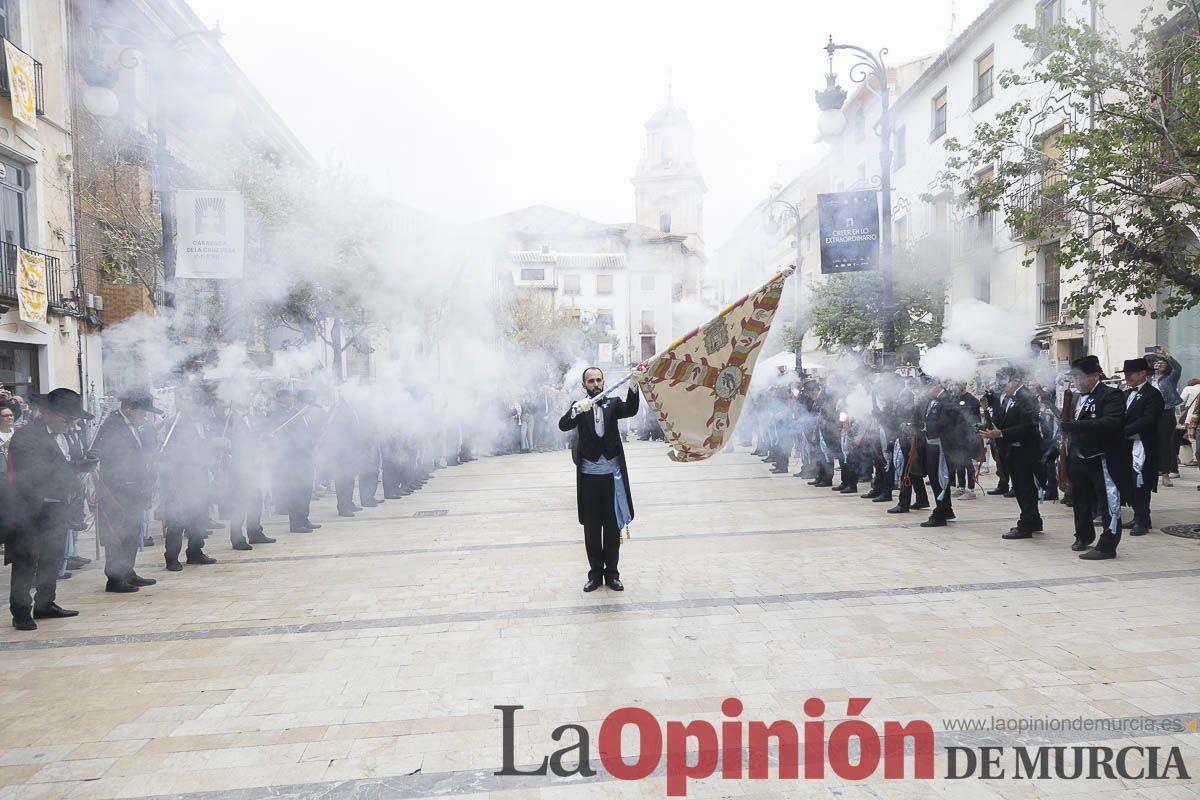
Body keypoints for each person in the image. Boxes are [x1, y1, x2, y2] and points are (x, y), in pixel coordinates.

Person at [7, 388, 95, 630]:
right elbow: (34, 474)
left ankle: (45, 603)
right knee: (26, 560)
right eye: (67, 420)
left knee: (52, 558)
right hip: (29, 509)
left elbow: (69, 464)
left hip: (58, 508)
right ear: (46, 413)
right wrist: (76, 468)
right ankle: (21, 610)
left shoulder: (67, 435)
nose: (71, 425)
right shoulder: (25, 437)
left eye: (74, 420)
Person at [558, 367, 639, 593]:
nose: (596, 384)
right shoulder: (580, 406)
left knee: (612, 528)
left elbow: (631, 409)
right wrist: (575, 410)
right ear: (584, 385)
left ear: (604, 382)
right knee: (592, 529)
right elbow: (563, 425)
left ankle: (612, 574)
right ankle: (595, 574)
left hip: (612, 477)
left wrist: (634, 385)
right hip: (589, 478)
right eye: (591, 381)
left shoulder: (613, 404)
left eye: (598, 380)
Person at [91, 389, 163, 593]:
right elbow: (103, 454)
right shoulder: (110, 424)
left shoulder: (141, 425)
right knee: (117, 533)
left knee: (133, 531)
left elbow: (146, 449)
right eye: (142, 411)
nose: (145, 415)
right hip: (117, 489)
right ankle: (114, 577)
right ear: (129, 408)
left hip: (137, 487)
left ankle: (128, 571)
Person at [1060, 355, 1129, 560]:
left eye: (1080, 377)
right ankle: (1083, 535)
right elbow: (1067, 427)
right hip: (1079, 456)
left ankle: (1108, 544)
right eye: (1074, 378)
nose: (1077, 382)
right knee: (1079, 500)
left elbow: (1111, 422)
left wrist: (1076, 426)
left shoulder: (1111, 395)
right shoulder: (1074, 398)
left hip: (1102, 458)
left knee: (1109, 503)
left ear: (1094, 375)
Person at [983, 367, 1045, 541]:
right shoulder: (1010, 398)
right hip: (1014, 448)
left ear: (1015, 381)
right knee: (1020, 487)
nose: (1002, 386)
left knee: (1025, 488)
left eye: (1005, 382)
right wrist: (988, 427)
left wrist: (1001, 433)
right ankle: (1033, 519)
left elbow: (1028, 426)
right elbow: (1000, 418)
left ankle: (1026, 524)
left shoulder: (1026, 397)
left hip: (1027, 449)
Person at [1120, 358, 1163, 536]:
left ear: (1143, 373)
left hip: (1143, 444)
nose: (1127, 377)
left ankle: (1142, 520)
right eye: (1126, 374)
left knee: (1141, 482)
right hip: (1126, 444)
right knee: (1129, 482)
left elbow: (1149, 419)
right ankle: (1139, 515)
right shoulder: (1125, 393)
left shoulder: (1152, 394)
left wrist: (1124, 430)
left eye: (1131, 373)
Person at [918, 380, 955, 528]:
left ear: (938, 386)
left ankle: (940, 513)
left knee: (940, 479)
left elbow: (945, 423)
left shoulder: (945, 400)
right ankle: (946, 509)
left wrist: (925, 426)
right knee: (935, 480)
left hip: (941, 446)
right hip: (932, 444)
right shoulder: (933, 401)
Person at [1147, 348, 1182, 484]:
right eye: (1157, 363)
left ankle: (1166, 474)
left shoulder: (1170, 379)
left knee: (1165, 444)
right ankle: (1153, 472)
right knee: (1150, 443)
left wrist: (1166, 355)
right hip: (1150, 414)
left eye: (1162, 363)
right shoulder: (1148, 380)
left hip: (1166, 413)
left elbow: (1178, 368)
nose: (1159, 364)